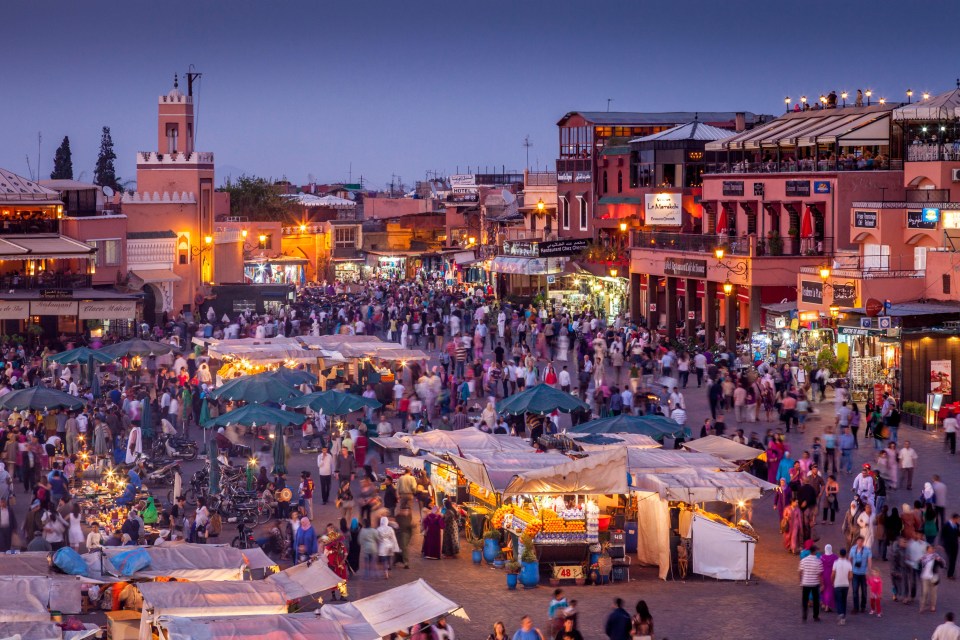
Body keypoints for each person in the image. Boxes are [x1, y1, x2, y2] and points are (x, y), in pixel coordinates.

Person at [799, 544, 823, 622]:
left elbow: (800, 572)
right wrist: (822, 584)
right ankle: (815, 616)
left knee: (805, 600)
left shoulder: (804, 560)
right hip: (815, 583)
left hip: (805, 583)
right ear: (815, 551)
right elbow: (819, 575)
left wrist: (801, 581)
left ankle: (804, 615)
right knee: (816, 600)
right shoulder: (818, 561)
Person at [921, 544, 946, 613]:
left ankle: (933, 606)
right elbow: (921, 566)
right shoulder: (924, 557)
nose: (932, 550)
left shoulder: (936, 557)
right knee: (925, 592)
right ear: (927, 550)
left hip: (933, 577)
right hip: (925, 577)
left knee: (933, 593)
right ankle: (922, 606)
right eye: (930, 549)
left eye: (933, 549)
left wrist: (939, 560)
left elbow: (942, 565)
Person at [850, 535, 872, 614]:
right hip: (855, 573)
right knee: (855, 591)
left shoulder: (867, 550)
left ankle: (863, 606)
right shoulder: (852, 549)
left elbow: (869, 561)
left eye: (862, 541)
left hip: (863, 573)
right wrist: (850, 571)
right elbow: (850, 560)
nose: (860, 543)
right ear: (856, 541)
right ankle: (855, 607)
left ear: (863, 542)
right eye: (859, 541)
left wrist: (868, 571)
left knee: (864, 591)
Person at [832, 547, 852, 624]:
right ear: (845, 554)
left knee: (838, 600)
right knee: (844, 601)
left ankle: (840, 613)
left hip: (837, 584)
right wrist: (848, 581)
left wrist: (832, 581)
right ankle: (843, 618)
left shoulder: (836, 562)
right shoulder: (849, 563)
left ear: (839, 554)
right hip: (845, 584)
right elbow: (850, 575)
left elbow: (833, 574)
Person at [942, 513, 960, 579]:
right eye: (958, 519)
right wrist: (943, 545)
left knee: (953, 560)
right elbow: (942, 535)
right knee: (951, 559)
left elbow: (958, 533)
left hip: (955, 545)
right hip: (948, 545)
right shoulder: (946, 525)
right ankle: (950, 573)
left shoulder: (957, 525)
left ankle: (950, 574)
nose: (958, 521)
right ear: (954, 518)